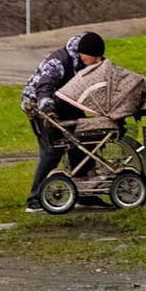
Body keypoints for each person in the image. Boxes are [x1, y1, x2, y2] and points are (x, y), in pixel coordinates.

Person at [20, 30, 104, 213]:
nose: (98, 61)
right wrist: (47, 109)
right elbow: (45, 87)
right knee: (52, 150)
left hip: (66, 102)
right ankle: (35, 199)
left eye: (100, 57)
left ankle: (85, 194)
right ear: (82, 53)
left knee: (83, 141)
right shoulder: (58, 62)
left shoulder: (88, 61)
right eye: (95, 57)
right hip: (39, 105)